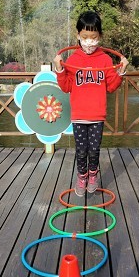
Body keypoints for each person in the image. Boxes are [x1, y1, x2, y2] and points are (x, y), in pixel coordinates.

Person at [53, 11, 129, 196]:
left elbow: (111, 87)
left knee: (94, 150)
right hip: (79, 115)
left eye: (93, 37)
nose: (89, 42)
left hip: (97, 116)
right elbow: (65, 87)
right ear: (78, 35)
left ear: (99, 36)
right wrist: (60, 69)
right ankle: (82, 177)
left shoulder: (105, 59)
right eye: (85, 37)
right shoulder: (72, 60)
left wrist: (121, 71)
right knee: (81, 150)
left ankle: (93, 176)